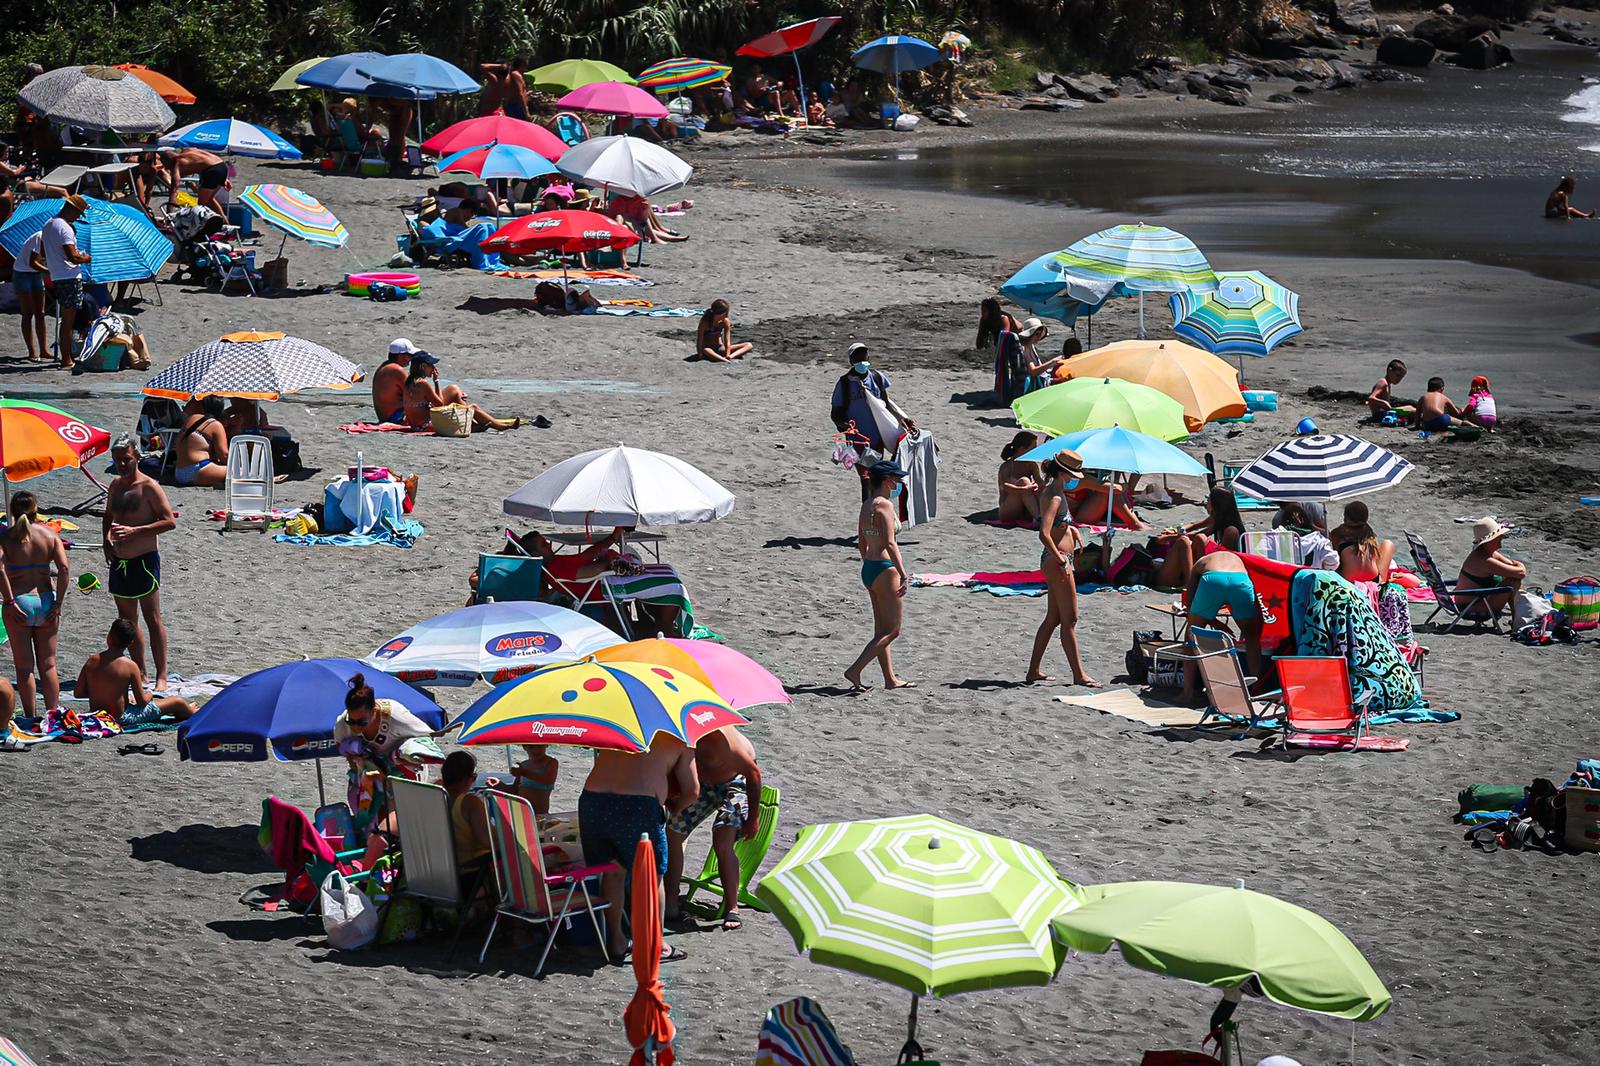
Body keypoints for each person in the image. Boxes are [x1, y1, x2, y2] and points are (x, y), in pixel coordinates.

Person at [581, 736, 697, 964]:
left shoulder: (623, 728)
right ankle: (655, 945)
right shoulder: (681, 737)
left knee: (613, 871)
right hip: (637, 805)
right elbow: (692, 790)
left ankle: (616, 941)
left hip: (592, 799)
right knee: (653, 875)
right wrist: (674, 807)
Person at [336, 672, 439, 868]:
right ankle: (374, 855)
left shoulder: (396, 717)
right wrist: (355, 756)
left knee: (401, 818)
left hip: (402, 772)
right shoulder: (343, 724)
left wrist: (395, 761)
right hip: (369, 774)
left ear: (374, 710)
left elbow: (427, 740)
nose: (356, 727)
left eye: (362, 722)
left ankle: (402, 859)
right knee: (370, 817)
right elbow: (342, 748)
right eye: (352, 721)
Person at [664, 728, 762, 930]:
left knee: (722, 842)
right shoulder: (680, 734)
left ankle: (732, 908)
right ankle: (671, 903)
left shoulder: (722, 742)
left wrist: (753, 817)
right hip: (703, 785)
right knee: (673, 834)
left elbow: (753, 773)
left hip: (736, 781)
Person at [104, 436, 176, 690]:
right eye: (117, 460)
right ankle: (141, 672)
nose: (122, 464)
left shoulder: (149, 487)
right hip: (119, 562)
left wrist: (135, 532)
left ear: (137, 457)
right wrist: (105, 542)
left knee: (152, 618)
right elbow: (108, 515)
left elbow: (169, 521)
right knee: (128, 621)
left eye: (126, 459)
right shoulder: (115, 485)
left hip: (144, 561)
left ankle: (162, 675)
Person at [1027, 452, 1100, 686]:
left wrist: (1072, 531)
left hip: (1057, 558)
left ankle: (1033, 671)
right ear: (1062, 473)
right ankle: (1079, 675)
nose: (1075, 478)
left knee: (1054, 618)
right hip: (1057, 560)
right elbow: (1044, 533)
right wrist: (1060, 560)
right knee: (1070, 619)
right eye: (1072, 474)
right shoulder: (1055, 497)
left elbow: (1058, 526)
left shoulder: (1055, 492)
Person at [845, 461, 912, 692]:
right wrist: (903, 574)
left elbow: (862, 542)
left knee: (880, 630)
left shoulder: (866, 505)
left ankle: (890, 679)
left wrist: (870, 565)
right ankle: (855, 670)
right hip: (885, 569)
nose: (899, 483)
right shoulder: (885, 506)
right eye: (896, 479)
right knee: (892, 630)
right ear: (886, 481)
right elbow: (890, 543)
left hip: (870, 568)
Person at [1, 492, 69, 713]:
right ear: (35, 510)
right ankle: (53, 713)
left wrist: (9, 601)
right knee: (48, 665)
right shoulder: (49, 536)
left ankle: (31, 717)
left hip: (19, 602)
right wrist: (58, 603)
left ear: (11, 511)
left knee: (24, 668)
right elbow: (64, 569)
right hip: (45, 601)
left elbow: (0, 569)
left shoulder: (6, 537)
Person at [830, 345, 917, 499]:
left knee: (876, 477)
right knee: (866, 478)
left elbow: (886, 403)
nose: (862, 360)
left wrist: (901, 418)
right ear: (851, 361)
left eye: (864, 356)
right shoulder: (844, 384)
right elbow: (835, 414)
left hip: (878, 440)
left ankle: (876, 510)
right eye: (858, 357)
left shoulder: (876, 377)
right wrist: (847, 427)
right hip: (859, 442)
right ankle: (868, 511)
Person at [75, 619, 196, 727]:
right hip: (122, 718)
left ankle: (185, 709)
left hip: (97, 714)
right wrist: (150, 694)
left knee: (143, 702)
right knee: (177, 701)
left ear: (108, 637)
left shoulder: (92, 661)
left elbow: (78, 693)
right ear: (130, 643)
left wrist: (101, 693)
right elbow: (142, 702)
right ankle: (193, 712)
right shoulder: (130, 666)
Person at [1186, 550, 1264, 681]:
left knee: (1191, 635)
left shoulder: (1200, 562)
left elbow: (1189, 604)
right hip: (1240, 580)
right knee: (1252, 638)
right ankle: (1257, 687)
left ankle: (1187, 692)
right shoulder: (1238, 560)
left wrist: (1214, 622)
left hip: (1212, 579)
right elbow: (1256, 602)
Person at [1153, 487, 1246, 589]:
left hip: (1221, 570)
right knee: (1189, 540)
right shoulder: (1218, 519)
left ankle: (1190, 583)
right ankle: (1191, 580)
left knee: (1193, 540)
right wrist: (1177, 531)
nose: (1206, 502)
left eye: (1209, 499)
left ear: (1216, 503)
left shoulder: (1231, 531)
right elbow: (1196, 525)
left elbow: (1223, 559)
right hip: (1206, 569)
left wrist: (1169, 538)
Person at [403, 354, 520, 431]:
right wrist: (436, 382)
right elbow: (439, 405)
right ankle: (501, 427)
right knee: (472, 407)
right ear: (423, 366)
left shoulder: (409, 382)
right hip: (424, 426)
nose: (433, 368)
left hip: (415, 424)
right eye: (431, 365)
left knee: (453, 389)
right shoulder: (423, 384)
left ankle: (474, 425)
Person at [42, 194, 92, 368]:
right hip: (69, 277)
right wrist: (86, 258)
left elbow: (43, 252)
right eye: (78, 213)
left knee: (66, 319)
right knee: (68, 321)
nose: (78, 217)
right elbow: (73, 257)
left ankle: (66, 357)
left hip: (57, 275)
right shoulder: (64, 228)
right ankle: (66, 359)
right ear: (72, 209)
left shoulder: (49, 224)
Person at [441, 750, 493, 889]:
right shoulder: (469, 803)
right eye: (474, 777)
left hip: (435, 872)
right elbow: (489, 842)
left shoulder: (433, 794)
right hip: (468, 875)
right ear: (466, 779)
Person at [1457, 516, 1525, 619]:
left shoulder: (1485, 553)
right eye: (1498, 538)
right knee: (1513, 582)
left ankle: (1518, 618)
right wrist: (1521, 565)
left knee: (1510, 578)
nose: (1501, 540)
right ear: (1490, 540)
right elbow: (1520, 572)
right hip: (1470, 608)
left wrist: (1516, 567)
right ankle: (1518, 620)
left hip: (1472, 602)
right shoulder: (1483, 560)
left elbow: (1511, 567)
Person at [1330, 501, 1395, 583]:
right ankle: (1383, 580)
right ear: (1366, 518)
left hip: (1348, 582)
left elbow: (1335, 559)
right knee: (1388, 544)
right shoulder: (1369, 533)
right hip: (1374, 581)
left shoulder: (1336, 533)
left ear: (1345, 518)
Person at [173, 396, 229, 487]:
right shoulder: (215, 425)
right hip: (198, 469)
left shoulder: (192, 418)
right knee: (241, 472)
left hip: (179, 472)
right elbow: (224, 456)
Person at [158, 148, 229, 217]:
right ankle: (224, 221)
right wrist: (224, 177)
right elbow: (206, 160)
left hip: (212, 171)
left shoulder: (177, 165)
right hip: (221, 165)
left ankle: (206, 226)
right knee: (210, 199)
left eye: (166, 164)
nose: (166, 168)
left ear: (171, 160)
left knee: (201, 205)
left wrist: (168, 214)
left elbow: (174, 191)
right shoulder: (188, 150)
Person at [12, 228, 48, 362]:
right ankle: (32, 351)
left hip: (36, 274)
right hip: (22, 272)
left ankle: (43, 350)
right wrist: (49, 271)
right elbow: (32, 262)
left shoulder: (55, 240)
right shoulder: (39, 237)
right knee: (28, 313)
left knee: (41, 312)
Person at [374, 338, 422, 423]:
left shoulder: (384, 366)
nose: (411, 359)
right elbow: (417, 393)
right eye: (410, 356)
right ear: (401, 356)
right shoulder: (397, 370)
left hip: (386, 417)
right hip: (396, 417)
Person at [998, 431, 1043, 523]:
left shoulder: (1031, 465)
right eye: (1033, 448)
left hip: (1026, 510)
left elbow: (1039, 481)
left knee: (1042, 489)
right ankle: (1038, 518)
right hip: (1009, 509)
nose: (1035, 451)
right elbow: (1005, 486)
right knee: (1024, 481)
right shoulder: (1007, 466)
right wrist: (1024, 489)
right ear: (1022, 449)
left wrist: (1039, 486)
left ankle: (1044, 515)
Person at [510, 744, 559, 818]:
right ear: (524, 747)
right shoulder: (523, 765)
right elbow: (515, 789)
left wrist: (524, 773)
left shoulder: (551, 762)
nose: (536, 750)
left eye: (539, 746)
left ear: (546, 745)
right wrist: (499, 784)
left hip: (539, 812)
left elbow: (549, 780)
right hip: (520, 809)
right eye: (531, 746)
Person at [1015, 318, 1064, 389]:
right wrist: (1052, 361)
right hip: (1032, 385)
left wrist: (1053, 366)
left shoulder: (1031, 346)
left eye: (1040, 335)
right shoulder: (1024, 348)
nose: (1038, 338)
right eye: (1037, 334)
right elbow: (1033, 371)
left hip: (1039, 379)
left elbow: (1040, 367)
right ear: (1030, 334)